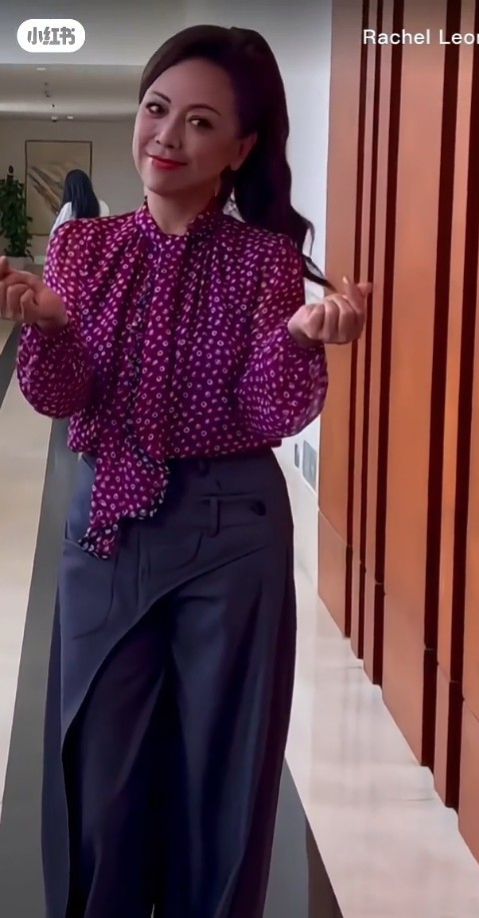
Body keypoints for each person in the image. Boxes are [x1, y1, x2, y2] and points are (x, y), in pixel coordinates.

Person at [0, 24, 370, 918]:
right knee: (99, 775)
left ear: (240, 149)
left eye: (200, 122)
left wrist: (296, 340)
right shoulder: (85, 249)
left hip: (229, 533)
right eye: (156, 109)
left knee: (222, 774)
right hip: (107, 528)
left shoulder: (264, 259)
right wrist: (50, 327)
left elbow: (264, 413)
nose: (166, 136)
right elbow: (65, 398)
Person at [49, 169, 110, 238]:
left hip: (74, 244)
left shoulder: (69, 207)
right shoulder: (102, 206)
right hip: (97, 244)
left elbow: (55, 234)